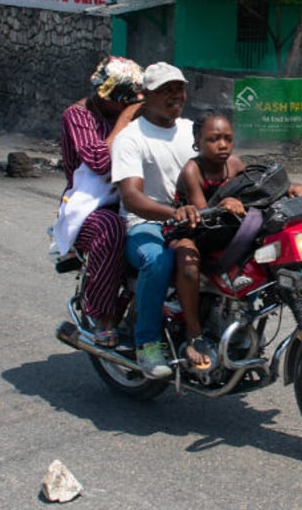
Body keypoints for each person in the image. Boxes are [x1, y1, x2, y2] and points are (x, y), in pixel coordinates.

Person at [169, 110, 302, 369]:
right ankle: (195, 334)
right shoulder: (193, 170)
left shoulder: (234, 164)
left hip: (227, 231)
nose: (223, 145)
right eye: (214, 139)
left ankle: (243, 319)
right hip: (192, 230)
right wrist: (224, 202)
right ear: (197, 142)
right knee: (188, 260)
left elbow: (259, 188)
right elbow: (202, 213)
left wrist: (289, 189)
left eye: (228, 138)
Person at [111, 62, 200, 379]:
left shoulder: (191, 130)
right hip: (145, 221)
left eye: (179, 88)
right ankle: (147, 342)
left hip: (193, 217)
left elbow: (224, 163)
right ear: (145, 96)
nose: (176, 95)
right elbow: (132, 197)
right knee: (157, 260)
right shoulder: (131, 138)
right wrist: (172, 213)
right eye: (166, 90)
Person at [58, 56, 144, 348]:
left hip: (131, 196)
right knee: (111, 228)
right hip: (88, 206)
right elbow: (99, 160)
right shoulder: (79, 115)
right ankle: (102, 316)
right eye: (124, 102)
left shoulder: (133, 113)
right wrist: (125, 120)